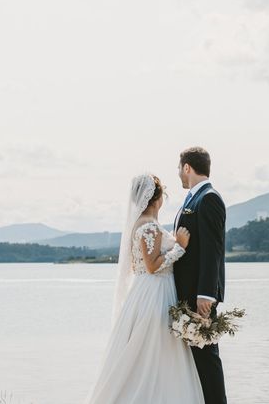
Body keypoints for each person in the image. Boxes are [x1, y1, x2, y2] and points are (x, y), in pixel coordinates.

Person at [85, 173, 205, 404]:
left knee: (149, 350)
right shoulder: (149, 227)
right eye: (164, 196)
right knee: (153, 348)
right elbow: (152, 267)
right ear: (156, 198)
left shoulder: (141, 224)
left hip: (147, 290)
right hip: (154, 291)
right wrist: (180, 247)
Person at [173, 146, 227, 404]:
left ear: (187, 167)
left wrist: (206, 294)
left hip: (199, 296)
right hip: (185, 292)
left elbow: (212, 249)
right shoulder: (192, 199)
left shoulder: (209, 198)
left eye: (179, 169)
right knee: (194, 361)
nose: (179, 175)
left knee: (207, 358)